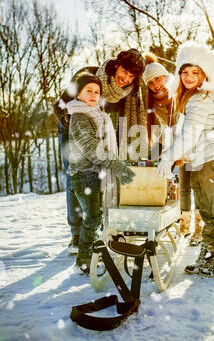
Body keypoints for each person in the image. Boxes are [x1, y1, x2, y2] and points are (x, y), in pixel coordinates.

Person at [157, 41, 214, 278]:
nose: (189, 76)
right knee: (207, 212)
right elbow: (192, 139)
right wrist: (180, 157)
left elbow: (190, 136)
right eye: (185, 72)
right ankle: (209, 256)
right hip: (202, 163)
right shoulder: (189, 99)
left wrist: (168, 157)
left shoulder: (201, 99)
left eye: (195, 72)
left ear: (204, 74)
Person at [53, 49, 146, 254]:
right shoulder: (89, 77)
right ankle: (77, 234)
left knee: (102, 178)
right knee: (76, 177)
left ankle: (101, 225)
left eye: (132, 76)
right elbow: (59, 105)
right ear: (115, 67)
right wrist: (72, 122)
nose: (126, 79)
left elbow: (125, 123)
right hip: (72, 126)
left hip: (101, 132)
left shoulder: (128, 93)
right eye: (124, 72)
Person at [65, 72, 135, 274]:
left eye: (97, 91)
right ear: (78, 94)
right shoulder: (79, 116)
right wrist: (116, 165)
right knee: (93, 218)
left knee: (97, 215)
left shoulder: (98, 114)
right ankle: (84, 260)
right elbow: (91, 147)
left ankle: (95, 252)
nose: (94, 94)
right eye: (89, 90)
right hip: (84, 175)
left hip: (95, 174)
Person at [142, 54, 203, 242]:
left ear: (166, 77)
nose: (155, 84)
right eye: (150, 82)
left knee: (198, 187)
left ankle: (200, 228)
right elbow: (164, 132)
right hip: (179, 148)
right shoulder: (154, 106)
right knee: (184, 187)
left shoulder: (181, 92)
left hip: (197, 145)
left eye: (158, 79)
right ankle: (184, 226)